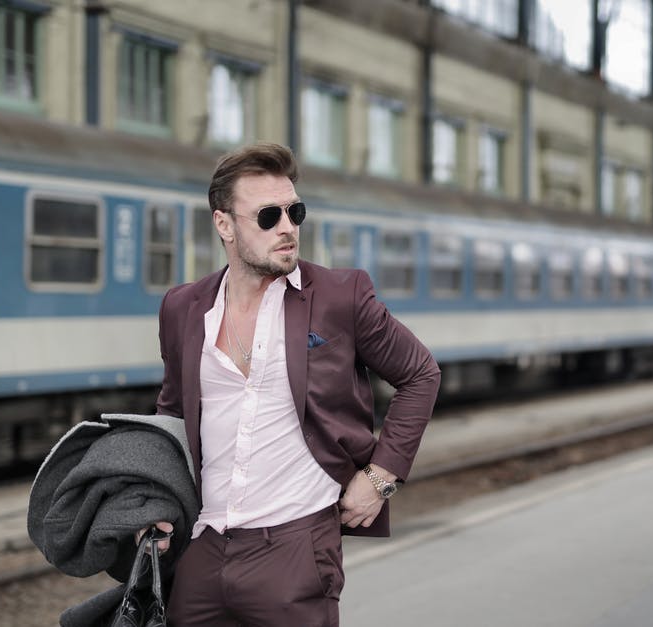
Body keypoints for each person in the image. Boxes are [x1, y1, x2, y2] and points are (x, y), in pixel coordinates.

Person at [146, 142, 441, 626]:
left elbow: (420, 374)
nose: (287, 228)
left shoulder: (340, 296)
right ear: (224, 225)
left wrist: (381, 477)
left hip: (295, 548)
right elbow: (172, 414)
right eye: (268, 216)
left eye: (294, 211)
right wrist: (157, 503)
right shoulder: (183, 308)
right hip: (202, 546)